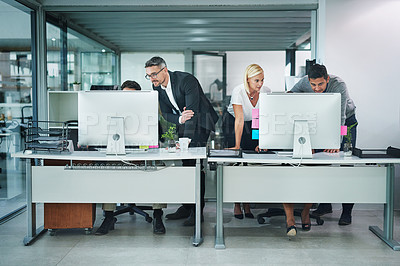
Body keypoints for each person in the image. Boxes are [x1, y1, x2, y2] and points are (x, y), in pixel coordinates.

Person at [144, 56, 219, 226]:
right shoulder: (156, 85)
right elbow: (165, 113)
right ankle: (187, 206)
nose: (152, 78)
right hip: (184, 122)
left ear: (165, 70)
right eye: (148, 75)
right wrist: (179, 119)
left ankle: (197, 211)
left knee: (195, 164)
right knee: (186, 165)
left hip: (200, 122)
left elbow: (192, 113)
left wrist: (187, 140)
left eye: (154, 74)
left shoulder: (186, 80)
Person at [96, 80, 167, 235]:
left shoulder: (148, 113)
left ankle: (158, 215)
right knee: (108, 172)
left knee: (159, 169)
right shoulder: (112, 114)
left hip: (144, 154)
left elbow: (159, 138)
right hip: (119, 154)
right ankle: (109, 217)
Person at [290, 63, 358, 226]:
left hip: (346, 122)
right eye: (313, 84)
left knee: (346, 166)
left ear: (327, 79)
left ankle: (346, 212)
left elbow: (340, 115)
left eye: (320, 84)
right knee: (321, 164)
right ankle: (325, 204)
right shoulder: (304, 82)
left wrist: (335, 141)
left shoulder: (339, 84)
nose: (317, 88)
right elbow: (291, 95)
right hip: (321, 121)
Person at [224, 64, 271, 219]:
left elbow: (265, 119)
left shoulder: (266, 92)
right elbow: (239, 119)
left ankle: (247, 204)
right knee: (236, 164)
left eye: (262, 80)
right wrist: (237, 146)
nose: (260, 84)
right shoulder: (239, 91)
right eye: (256, 80)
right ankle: (237, 204)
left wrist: (262, 142)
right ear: (248, 79)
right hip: (233, 123)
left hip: (254, 123)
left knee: (251, 163)